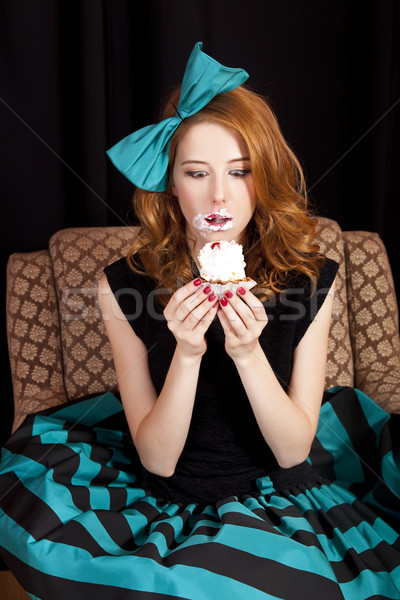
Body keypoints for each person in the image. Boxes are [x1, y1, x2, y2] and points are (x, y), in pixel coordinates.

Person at [0, 42, 399, 599]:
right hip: (166, 494)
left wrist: (247, 353)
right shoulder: (121, 286)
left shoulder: (313, 279)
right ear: (170, 182)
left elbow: (292, 451)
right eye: (196, 173)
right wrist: (186, 354)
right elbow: (158, 458)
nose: (218, 195)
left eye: (240, 172)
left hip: (280, 493)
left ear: (264, 178)